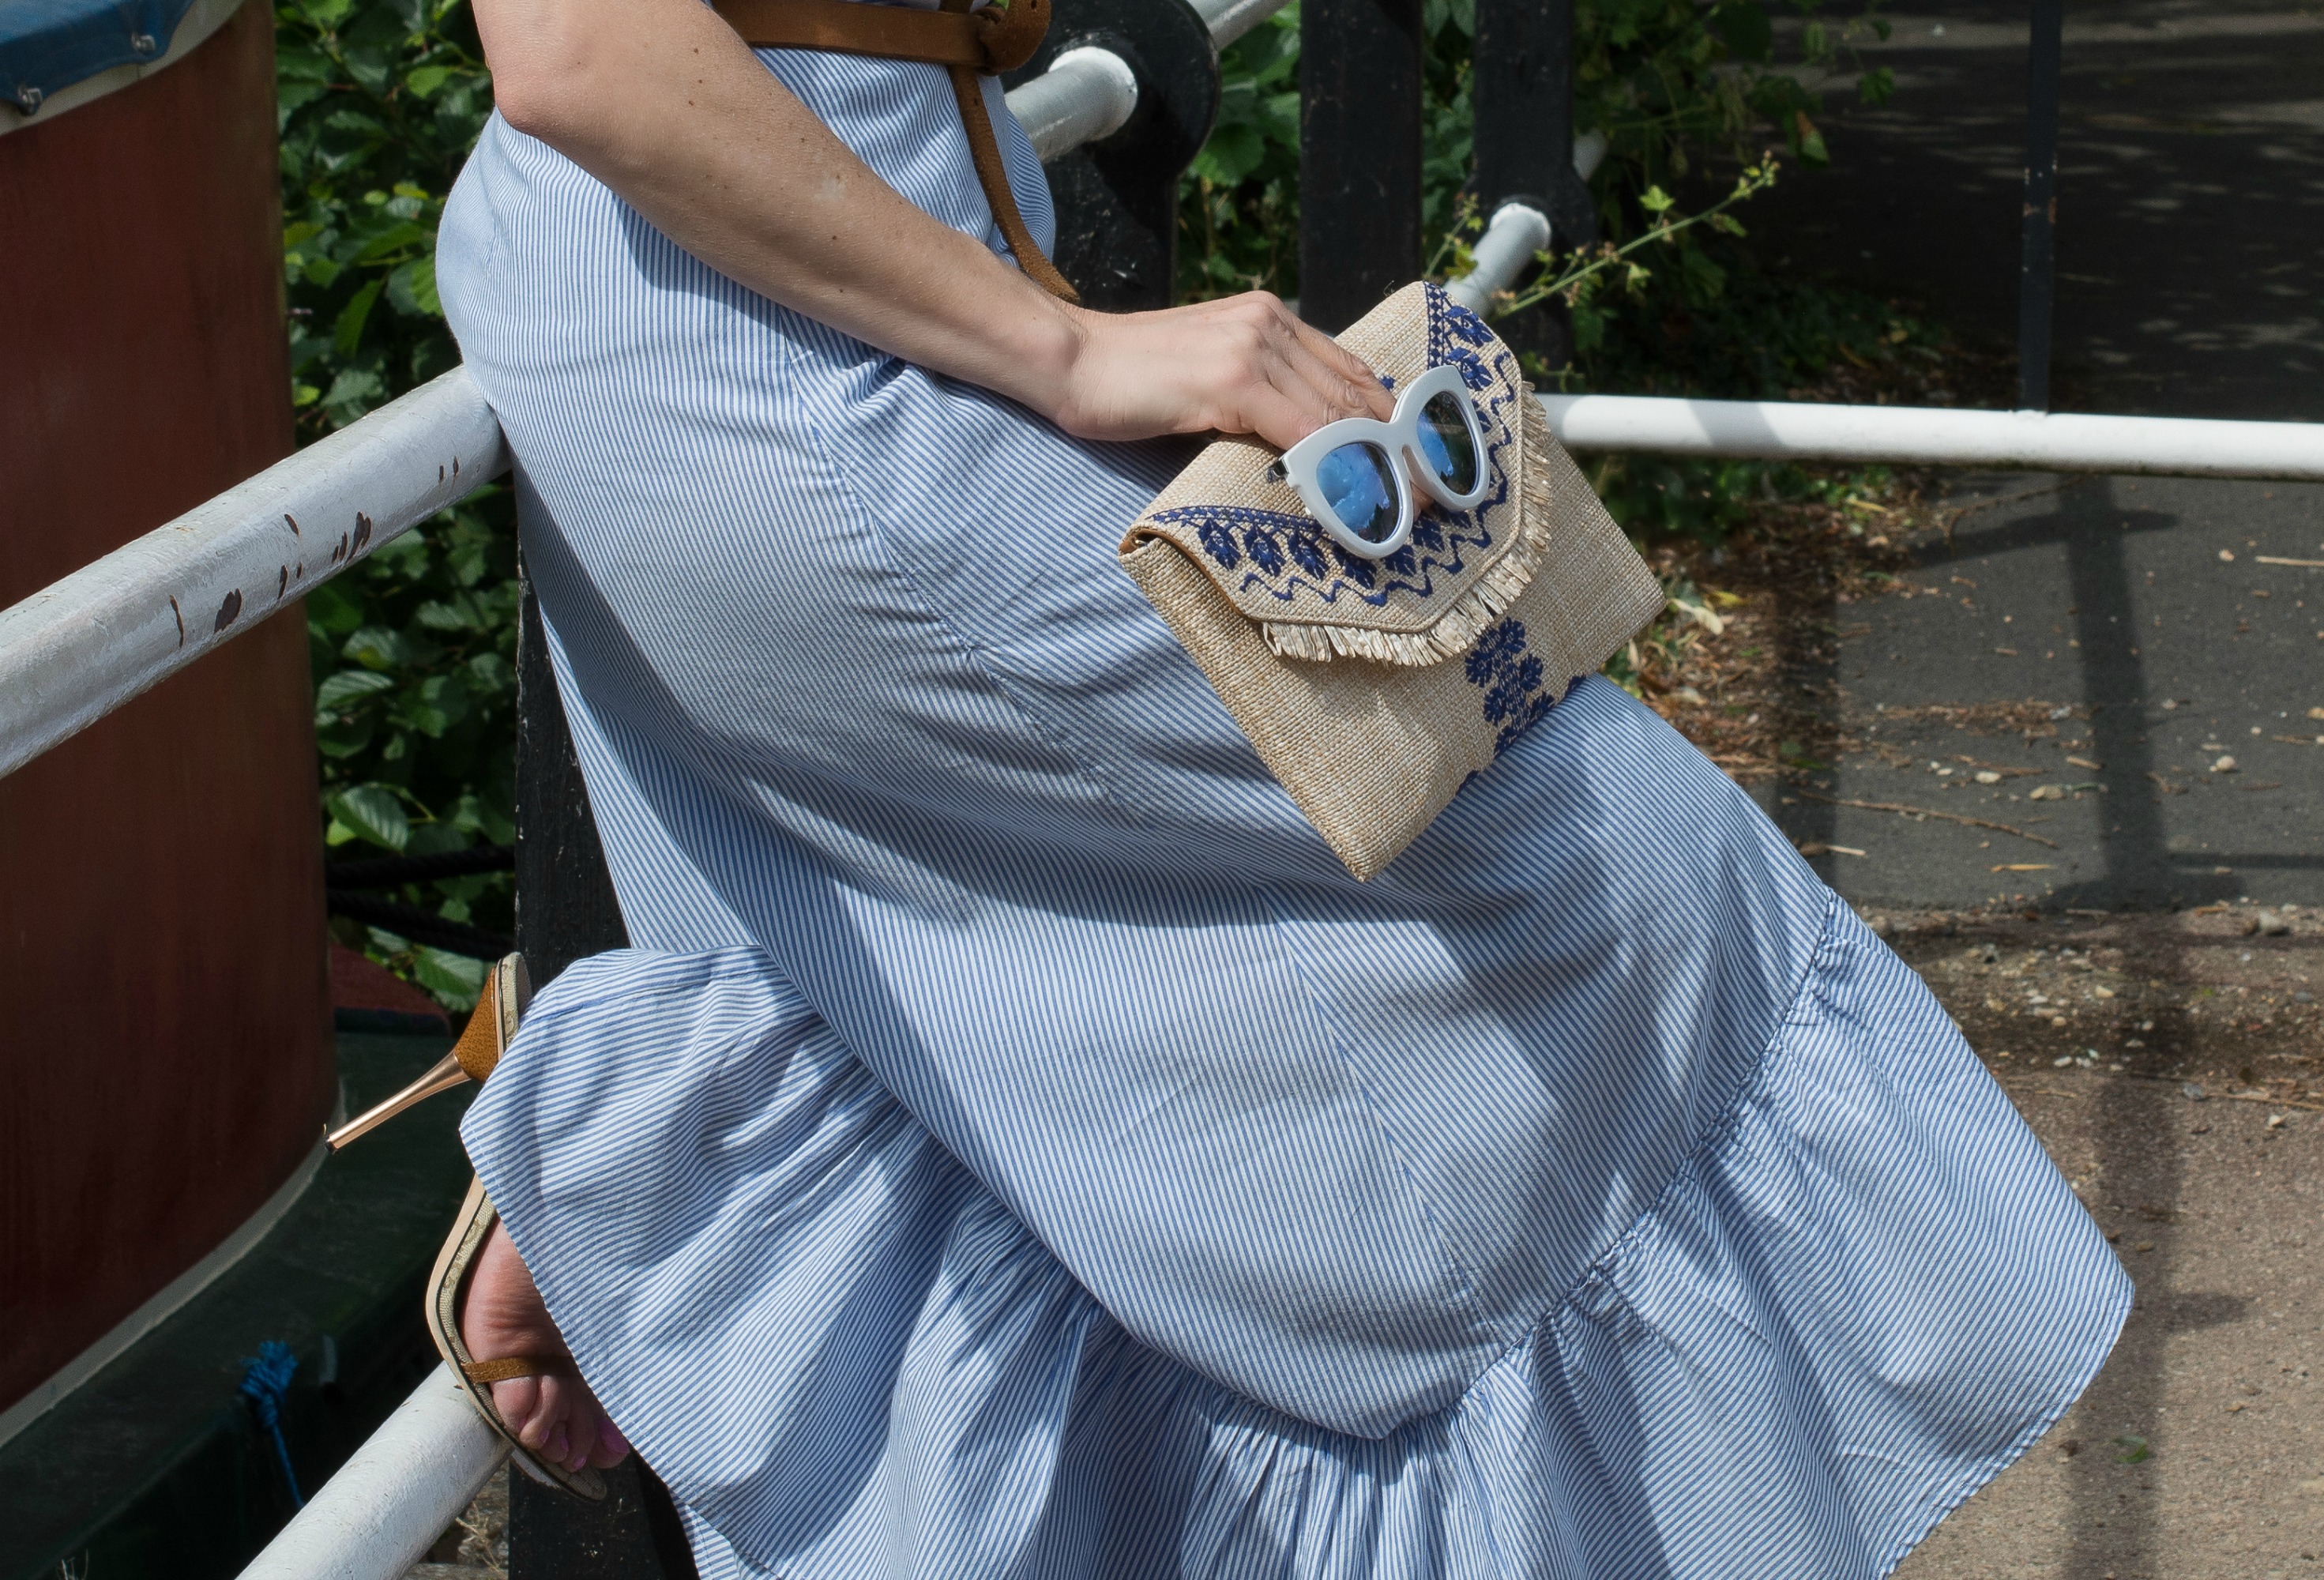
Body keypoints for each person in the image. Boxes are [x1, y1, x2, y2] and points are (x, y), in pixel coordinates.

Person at [431, 0, 2132, 1572]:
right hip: (764, 304)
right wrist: (1069, 352)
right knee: (1576, 855)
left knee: (1005, 948)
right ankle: (611, 1185)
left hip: (847, 226)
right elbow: (578, 42)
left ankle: (599, 1198)